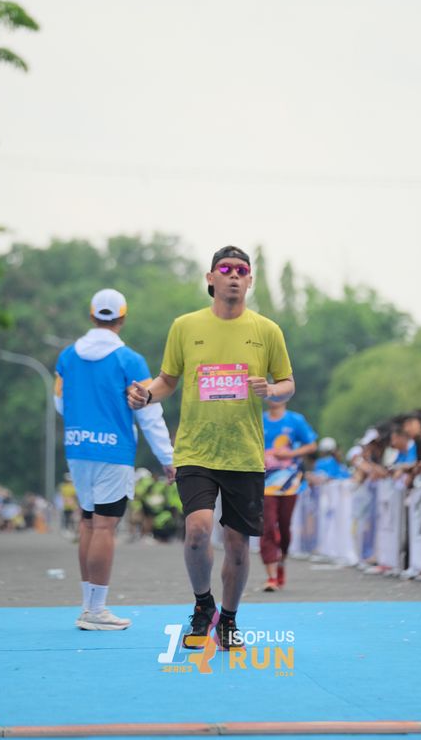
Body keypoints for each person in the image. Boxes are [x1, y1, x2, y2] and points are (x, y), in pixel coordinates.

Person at [128, 246, 294, 650]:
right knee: (198, 530)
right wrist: (146, 394)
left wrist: (272, 390)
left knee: (237, 545)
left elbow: (288, 384)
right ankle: (204, 606)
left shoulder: (267, 331)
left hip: (244, 453)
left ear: (249, 280)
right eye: (226, 269)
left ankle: (229, 620)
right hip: (196, 450)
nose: (234, 275)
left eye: (241, 270)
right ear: (211, 278)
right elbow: (167, 380)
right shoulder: (185, 326)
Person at [55, 289, 175, 631]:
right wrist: (168, 457)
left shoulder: (66, 357)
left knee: (88, 522)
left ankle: (87, 605)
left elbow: (60, 404)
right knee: (105, 526)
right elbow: (149, 413)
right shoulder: (130, 361)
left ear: (92, 316)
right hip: (113, 450)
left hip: (77, 447)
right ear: (122, 318)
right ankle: (96, 610)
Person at [261, 400, 317, 591]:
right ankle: (271, 577)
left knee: (284, 527)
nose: (272, 397)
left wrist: (290, 454)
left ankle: (281, 560)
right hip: (265, 483)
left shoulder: (295, 420)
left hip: (289, 484)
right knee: (268, 526)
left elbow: (311, 445)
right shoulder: (259, 420)